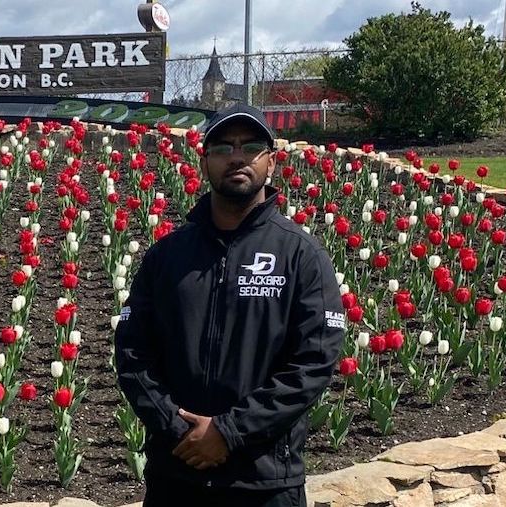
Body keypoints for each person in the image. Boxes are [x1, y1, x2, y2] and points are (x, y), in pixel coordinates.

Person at [113, 104, 346, 507]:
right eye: (222, 147)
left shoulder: (301, 255)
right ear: (204, 160)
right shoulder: (167, 257)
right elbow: (132, 351)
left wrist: (229, 432)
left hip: (264, 482)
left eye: (251, 146)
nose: (237, 157)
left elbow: (314, 362)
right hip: (176, 477)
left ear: (271, 161)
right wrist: (176, 428)